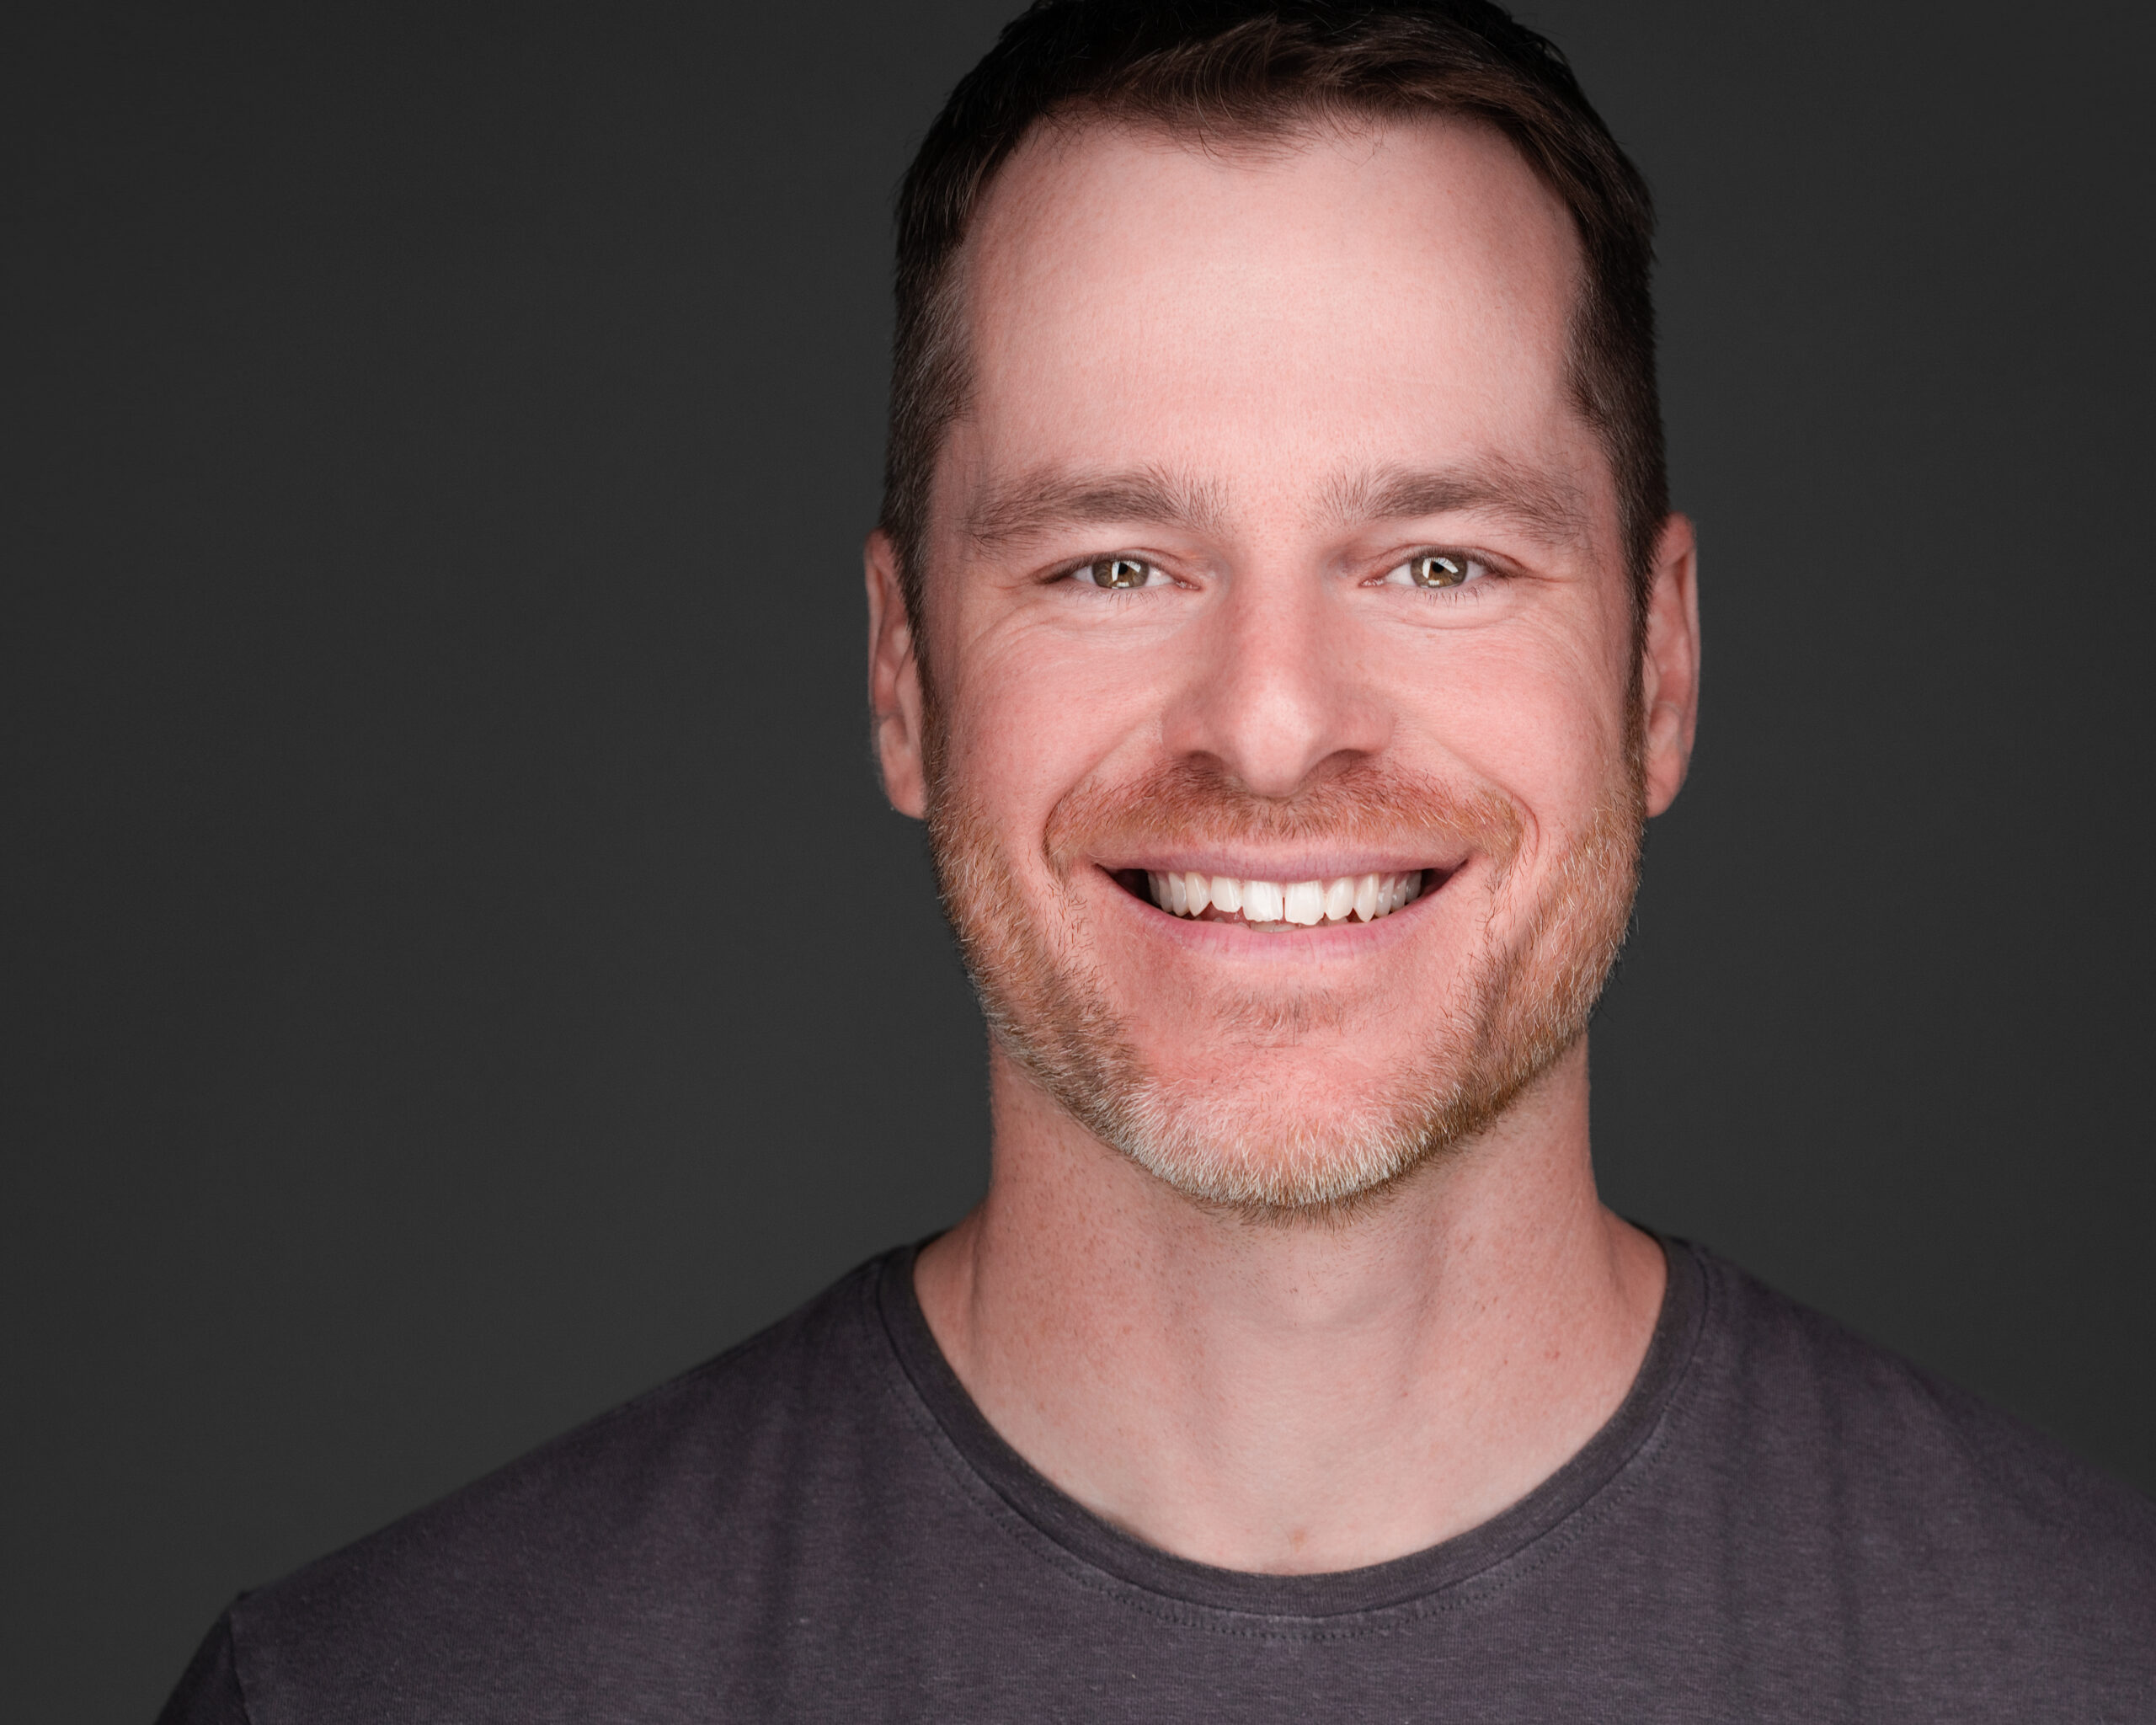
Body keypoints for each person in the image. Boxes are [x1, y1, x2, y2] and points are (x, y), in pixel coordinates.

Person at [158, 2, 2156, 1718]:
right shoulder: (386, 1689)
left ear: (1658, 670)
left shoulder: (2091, 1664)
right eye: (1114, 565)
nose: (1270, 720)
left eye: (1436, 561)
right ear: (901, 678)